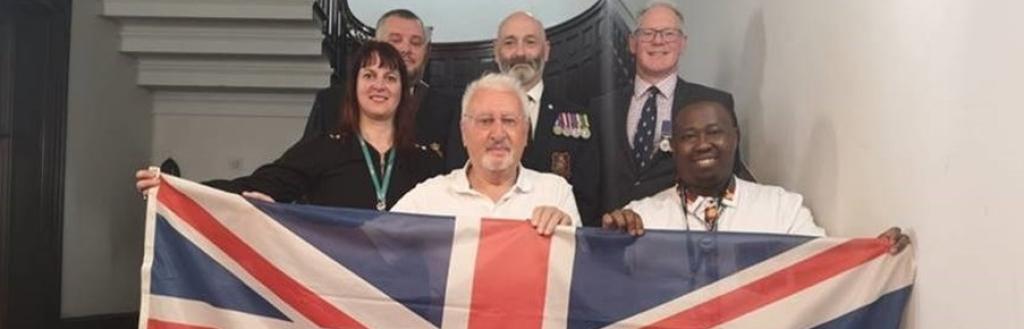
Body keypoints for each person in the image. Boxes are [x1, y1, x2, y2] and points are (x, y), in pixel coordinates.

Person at [136, 41, 442, 211]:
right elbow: (256, 184)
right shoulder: (323, 148)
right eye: (369, 75)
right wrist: (176, 189)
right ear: (353, 88)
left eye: (390, 78)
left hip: (407, 300)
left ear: (403, 91)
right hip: (337, 294)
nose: (380, 85)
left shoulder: (425, 161)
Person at [601, 100, 910, 253]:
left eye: (714, 132)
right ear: (673, 147)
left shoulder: (782, 209)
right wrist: (610, 247)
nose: (703, 144)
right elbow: (612, 294)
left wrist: (874, 258)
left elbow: (823, 268)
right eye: (689, 136)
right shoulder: (640, 217)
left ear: (735, 138)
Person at [590, 2, 752, 215]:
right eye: (647, 33)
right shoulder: (600, 107)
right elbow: (590, 181)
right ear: (632, 43)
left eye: (668, 33)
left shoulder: (713, 104)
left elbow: (730, 177)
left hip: (683, 233)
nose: (658, 41)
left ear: (683, 44)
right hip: (613, 234)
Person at [444, 11, 602, 225]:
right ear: (496, 51)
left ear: (546, 50)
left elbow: (588, 197)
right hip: (482, 233)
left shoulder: (577, 118)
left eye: (530, 42)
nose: (520, 53)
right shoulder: (468, 112)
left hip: (550, 237)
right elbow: (457, 178)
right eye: (510, 43)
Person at [393, 73, 578, 236]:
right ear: (464, 132)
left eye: (509, 121)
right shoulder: (428, 199)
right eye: (485, 121)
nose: (498, 134)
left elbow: (583, 269)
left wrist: (567, 239)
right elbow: (375, 250)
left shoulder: (556, 193)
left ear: (525, 131)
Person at [304, 9, 459, 158]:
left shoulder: (448, 110)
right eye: (395, 40)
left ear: (426, 52)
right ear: (375, 46)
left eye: (416, 42)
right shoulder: (331, 103)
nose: (406, 48)